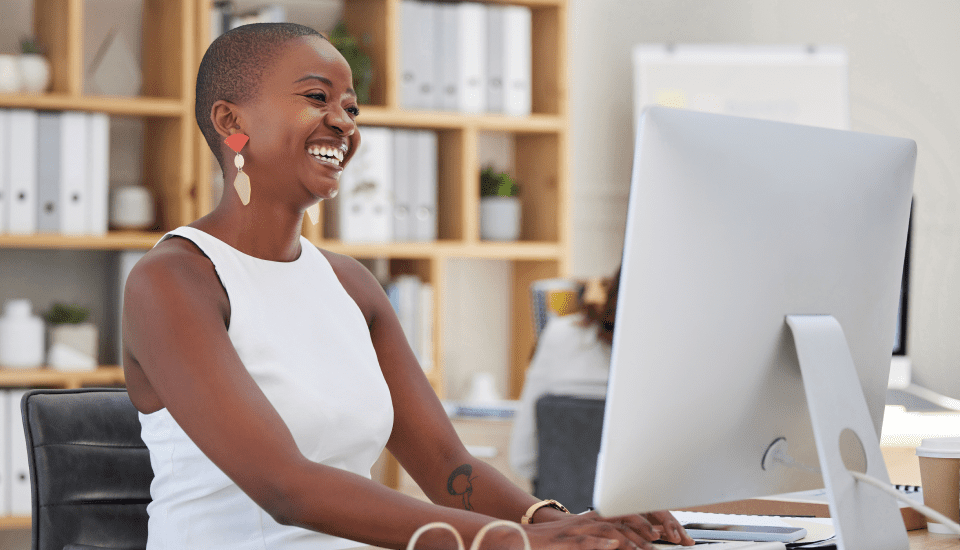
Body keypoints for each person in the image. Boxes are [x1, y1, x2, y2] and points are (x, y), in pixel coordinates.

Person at [121, 23, 694, 550]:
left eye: (352, 107)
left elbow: (447, 469)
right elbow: (284, 486)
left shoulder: (351, 285)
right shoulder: (174, 280)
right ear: (231, 122)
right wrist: (520, 544)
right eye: (317, 98)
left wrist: (564, 523)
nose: (345, 123)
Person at [509, 270, 619, 485]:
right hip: (639, 513)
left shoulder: (562, 335)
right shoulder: (661, 348)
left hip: (559, 511)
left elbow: (522, 460)